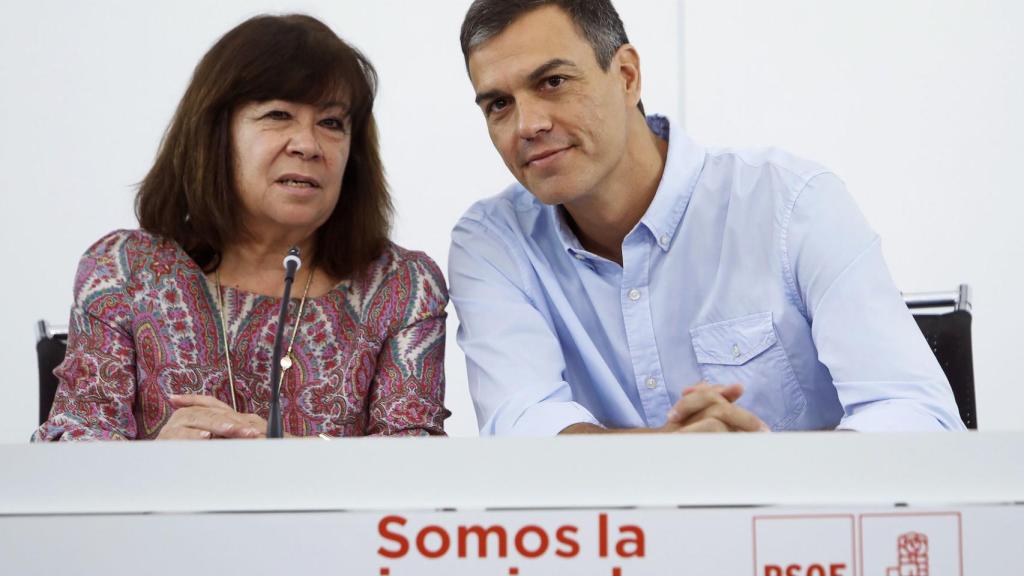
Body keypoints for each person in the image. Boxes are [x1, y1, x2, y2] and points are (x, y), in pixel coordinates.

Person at [449, 0, 965, 435]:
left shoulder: (791, 203)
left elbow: (918, 414)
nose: (529, 124)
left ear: (627, 76)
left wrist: (765, 469)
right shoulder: (492, 242)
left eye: (554, 81)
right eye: (498, 104)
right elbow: (524, 429)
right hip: (612, 551)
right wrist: (674, 458)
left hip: (804, 544)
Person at [34, 14, 449, 441]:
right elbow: (68, 450)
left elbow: (416, 457)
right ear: (216, 135)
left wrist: (286, 454)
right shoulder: (125, 271)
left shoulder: (400, 286)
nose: (308, 145)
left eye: (331, 123)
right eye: (278, 114)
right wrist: (155, 461)